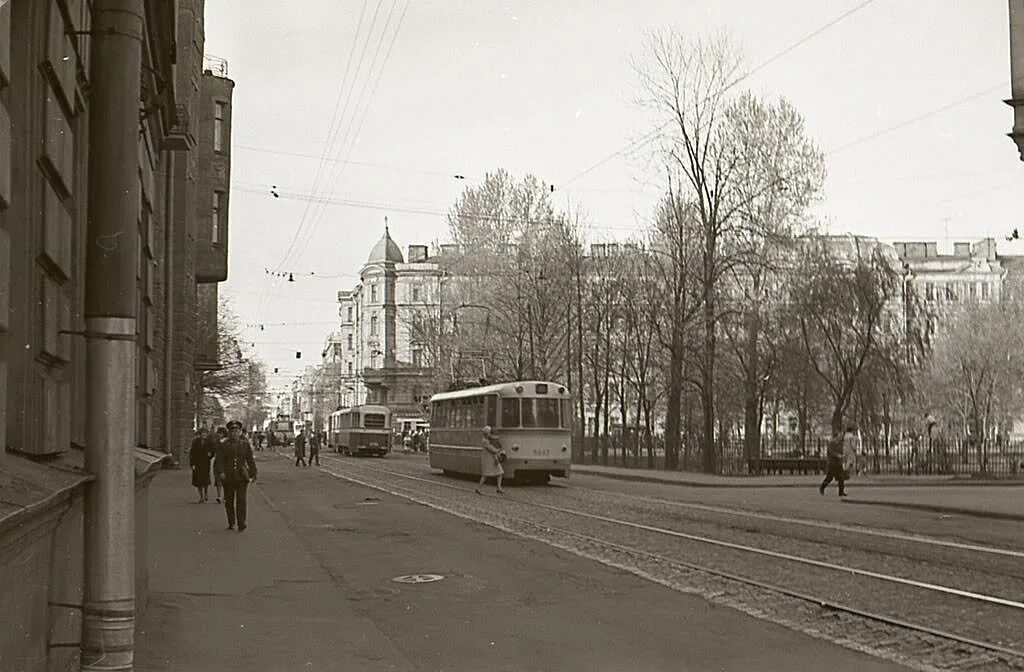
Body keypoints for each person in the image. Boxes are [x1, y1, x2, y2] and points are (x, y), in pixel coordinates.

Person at [215, 420, 258, 531]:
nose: (235, 433)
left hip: (241, 477)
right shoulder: (224, 444)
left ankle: (241, 522)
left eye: (237, 431)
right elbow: (219, 460)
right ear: (229, 432)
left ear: (239, 432)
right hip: (228, 477)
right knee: (229, 501)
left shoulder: (245, 444)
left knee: (241, 501)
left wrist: (253, 473)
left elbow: (250, 460)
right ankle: (231, 521)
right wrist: (221, 473)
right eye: (232, 431)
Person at [820, 424, 855, 497]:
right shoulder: (831, 443)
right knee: (829, 478)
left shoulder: (840, 444)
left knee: (841, 478)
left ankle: (841, 491)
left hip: (838, 463)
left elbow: (842, 451)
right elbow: (831, 452)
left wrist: (843, 455)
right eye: (840, 435)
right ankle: (822, 487)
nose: (841, 437)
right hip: (832, 463)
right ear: (836, 436)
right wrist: (838, 455)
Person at [476, 425, 505, 495]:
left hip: (492, 459)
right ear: (487, 433)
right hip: (488, 460)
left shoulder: (487, 440)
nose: (490, 433)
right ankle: (478, 489)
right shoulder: (485, 441)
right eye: (489, 432)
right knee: (485, 475)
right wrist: (498, 450)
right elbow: (491, 449)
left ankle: (499, 488)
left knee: (500, 472)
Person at [189, 428, 213, 502]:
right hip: (197, 463)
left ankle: (206, 494)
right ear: (200, 434)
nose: (204, 434)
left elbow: (213, 450)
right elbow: (192, 453)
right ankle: (201, 497)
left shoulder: (209, 442)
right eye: (203, 433)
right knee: (198, 481)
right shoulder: (195, 442)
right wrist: (192, 464)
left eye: (205, 433)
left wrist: (210, 455)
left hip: (205, 463)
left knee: (205, 480)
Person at [212, 426, 228, 503]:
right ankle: (219, 496)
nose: (219, 435)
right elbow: (213, 451)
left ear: (224, 434)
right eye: (218, 433)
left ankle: (225, 497)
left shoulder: (228, 442)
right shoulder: (216, 442)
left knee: (225, 481)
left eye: (220, 433)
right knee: (218, 481)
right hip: (217, 463)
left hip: (226, 463)